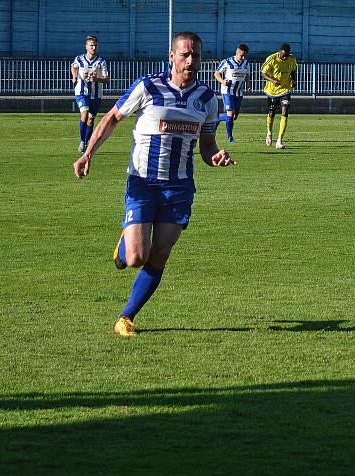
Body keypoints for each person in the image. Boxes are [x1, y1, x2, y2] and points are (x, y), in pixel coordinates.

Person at [72, 32, 235, 337]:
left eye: (196, 56)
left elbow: (207, 146)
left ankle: (126, 317)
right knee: (135, 258)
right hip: (143, 182)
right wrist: (88, 153)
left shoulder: (208, 100)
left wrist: (217, 157)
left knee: (159, 254)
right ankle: (124, 246)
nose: (191, 61)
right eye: (185, 55)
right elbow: (112, 118)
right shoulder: (148, 86)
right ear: (171, 56)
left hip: (179, 187)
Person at [71, 35, 110, 153]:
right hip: (82, 92)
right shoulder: (79, 59)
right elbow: (73, 67)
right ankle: (82, 141)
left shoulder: (101, 61)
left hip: (96, 94)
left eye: (95, 45)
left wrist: (97, 79)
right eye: (91, 45)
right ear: (86, 46)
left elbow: (106, 79)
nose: (93, 47)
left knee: (91, 119)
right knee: (84, 114)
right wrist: (74, 77)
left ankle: (86, 141)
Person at [261, 43, 297, 149]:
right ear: (279, 52)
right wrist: (273, 80)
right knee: (271, 113)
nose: (285, 57)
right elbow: (263, 73)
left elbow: (293, 71)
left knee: (285, 112)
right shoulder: (272, 59)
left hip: (285, 90)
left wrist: (293, 80)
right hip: (272, 91)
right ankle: (269, 133)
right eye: (283, 55)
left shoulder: (292, 59)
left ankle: (279, 140)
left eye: (287, 55)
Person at [213, 43, 250, 143]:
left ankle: (217, 118)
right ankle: (230, 137)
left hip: (239, 92)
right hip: (227, 91)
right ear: (237, 52)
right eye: (241, 55)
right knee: (230, 113)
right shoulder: (227, 61)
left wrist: (248, 84)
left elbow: (246, 75)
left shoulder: (246, 63)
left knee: (234, 117)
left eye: (245, 55)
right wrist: (223, 81)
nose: (243, 57)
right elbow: (216, 73)